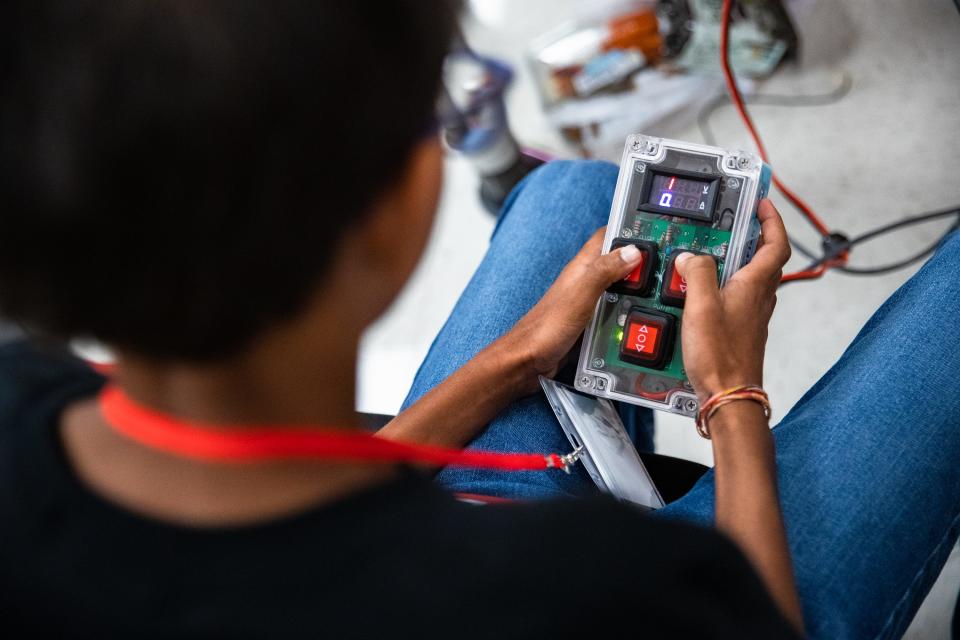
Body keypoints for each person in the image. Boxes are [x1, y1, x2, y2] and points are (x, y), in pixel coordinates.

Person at [0, 2, 956, 638]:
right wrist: (730, 394)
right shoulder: (581, 589)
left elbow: (277, 526)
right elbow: (748, 618)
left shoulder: (18, 420)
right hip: (717, 592)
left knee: (569, 194)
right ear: (399, 210)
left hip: (439, 516)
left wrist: (518, 355)